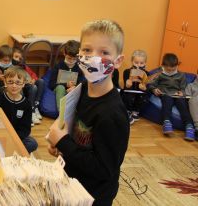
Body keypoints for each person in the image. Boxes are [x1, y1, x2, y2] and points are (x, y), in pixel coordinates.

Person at [47, 19, 129, 206]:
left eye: (104, 52)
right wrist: (62, 147)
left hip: (92, 196)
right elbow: (79, 137)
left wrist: (63, 142)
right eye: (87, 50)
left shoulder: (112, 114)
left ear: (118, 61)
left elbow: (103, 169)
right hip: (71, 183)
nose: (93, 57)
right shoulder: (83, 89)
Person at [148, 53, 195, 141]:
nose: (170, 72)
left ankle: (189, 126)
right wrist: (154, 90)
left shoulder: (181, 75)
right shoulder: (160, 74)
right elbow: (151, 84)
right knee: (167, 103)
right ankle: (166, 122)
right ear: (163, 66)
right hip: (165, 94)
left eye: (173, 70)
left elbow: (184, 87)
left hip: (177, 95)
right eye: (168, 70)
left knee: (183, 106)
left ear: (177, 66)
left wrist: (182, 93)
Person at [0, 66, 37, 153]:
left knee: (32, 143)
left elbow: (26, 129)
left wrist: (13, 138)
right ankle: (11, 151)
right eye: (10, 82)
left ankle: (10, 151)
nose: (14, 86)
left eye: (18, 83)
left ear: (23, 84)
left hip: (17, 137)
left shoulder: (26, 104)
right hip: (0, 135)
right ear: (5, 82)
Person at [12, 47, 45, 124]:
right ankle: (31, 111)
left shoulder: (23, 66)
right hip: (23, 87)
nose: (18, 59)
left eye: (20, 58)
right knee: (34, 87)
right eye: (16, 57)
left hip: (28, 85)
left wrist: (33, 79)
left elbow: (33, 74)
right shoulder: (12, 67)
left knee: (41, 81)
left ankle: (36, 106)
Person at [48, 40, 84, 111]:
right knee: (60, 87)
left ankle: (76, 112)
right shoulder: (58, 66)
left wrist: (75, 87)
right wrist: (65, 84)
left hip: (72, 91)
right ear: (64, 53)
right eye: (69, 58)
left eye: (75, 59)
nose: (71, 61)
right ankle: (61, 113)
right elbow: (51, 85)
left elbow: (82, 82)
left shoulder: (79, 67)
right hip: (60, 90)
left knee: (81, 89)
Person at [122, 50, 150, 124]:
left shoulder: (146, 73)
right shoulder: (126, 71)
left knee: (144, 96)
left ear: (145, 63)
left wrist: (144, 87)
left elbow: (147, 87)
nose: (138, 65)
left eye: (141, 63)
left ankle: (135, 111)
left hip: (140, 92)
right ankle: (127, 111)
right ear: (132, 61)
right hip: (129, 91)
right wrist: (128, 84)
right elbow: (125, 86)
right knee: (127, 96)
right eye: (136, 62)